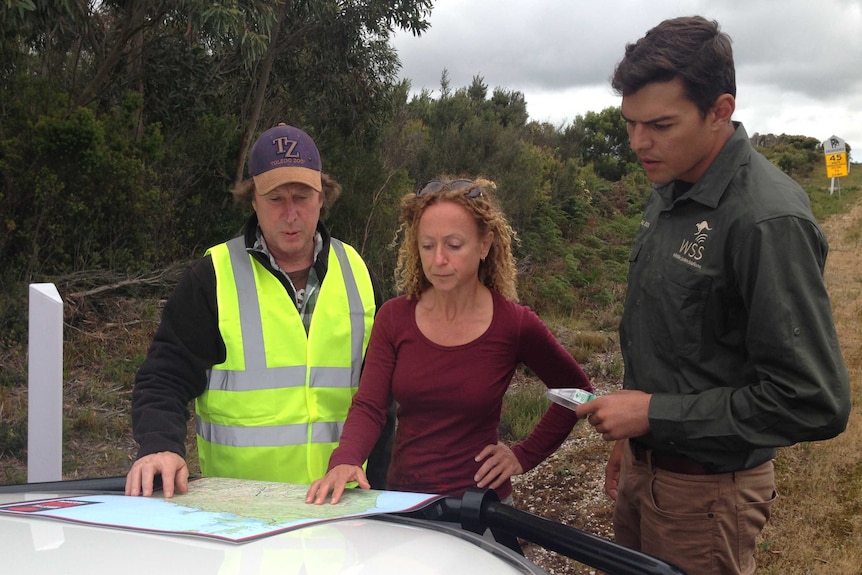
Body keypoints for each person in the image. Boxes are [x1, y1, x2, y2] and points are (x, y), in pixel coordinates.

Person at [575, 16, 851, 575]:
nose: (637, 143)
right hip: (644, 472)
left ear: (720, 110)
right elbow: (672, 342)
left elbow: (812, 399)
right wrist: (631, 442)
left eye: (659, 124)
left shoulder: (765, 219)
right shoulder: (668, 187)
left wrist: (654, 414)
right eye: (629, 124)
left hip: (707, 501)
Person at [125, 123, 391, 498]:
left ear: (322, 197)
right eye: (275, 198)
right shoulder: (212, 276)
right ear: (253, 200)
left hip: (345, 506)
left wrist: (384, 488)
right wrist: (160, 445)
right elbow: (163, 378)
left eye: (302, 196)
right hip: (244, 513)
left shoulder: (359, 272)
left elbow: (384, 397)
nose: (290, 213)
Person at [305, 177, 594, 506]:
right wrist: (346, 459)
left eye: (454, 245)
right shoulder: (393, 318)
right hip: (406, 506)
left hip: (482, 510)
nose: (438, 259)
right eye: (427, 246)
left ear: (485, 245)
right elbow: (370, 406)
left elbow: (578, 391)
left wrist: (523, 455)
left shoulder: (514, 324)